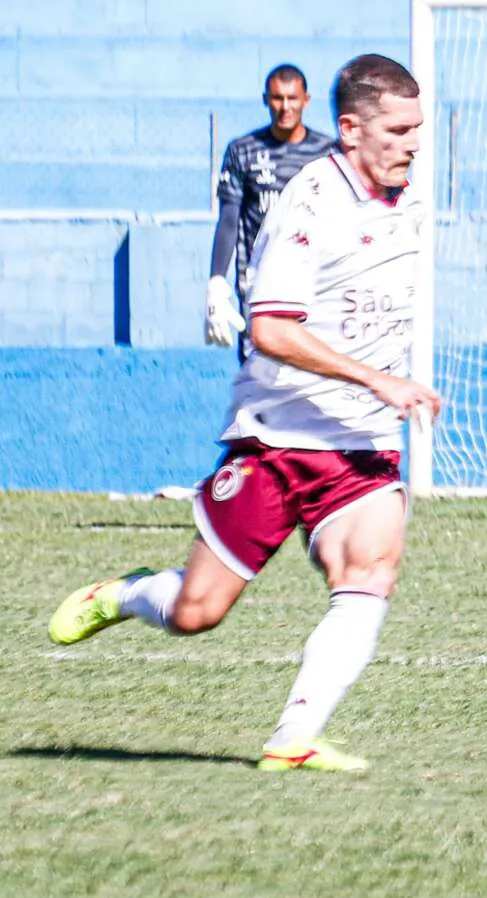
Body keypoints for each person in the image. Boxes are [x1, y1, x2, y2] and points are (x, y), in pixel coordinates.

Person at [49, 55, 441, 773]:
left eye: (421, 127)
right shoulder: (310, 203)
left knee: (371, 565)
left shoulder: (411, 198)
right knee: (196, 611)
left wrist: (385, 387)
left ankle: (294, 736)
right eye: (399, 128)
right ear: (351, 130)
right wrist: (376, 376)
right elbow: (271, 328)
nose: (416, 142)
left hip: (359, 442)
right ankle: (127, 592)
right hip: (277, 437)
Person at [207, 64, 338, 356]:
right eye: (278, 98)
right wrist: (216, 281)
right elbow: (229, 219)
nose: (285, 107)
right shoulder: (244, 150)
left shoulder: (329, 152)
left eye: (293, 98)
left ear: (306, 100)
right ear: (266, 99)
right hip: (259, 282)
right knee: (259, 375)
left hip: (315, 284)